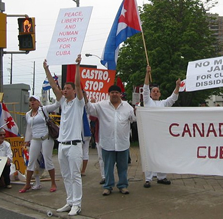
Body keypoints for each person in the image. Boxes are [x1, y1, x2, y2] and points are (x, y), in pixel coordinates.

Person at [44, 55, 85, 216]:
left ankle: (77, 204)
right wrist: (46, 69)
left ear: (73, 91)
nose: (64, 90)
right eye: (64, 88)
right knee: (66, 176)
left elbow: (78, 85)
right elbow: (54, 87)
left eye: (68, 88)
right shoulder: (63, 103)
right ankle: (69, 202)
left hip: (75, 145)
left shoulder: (78, 103)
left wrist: (77, 66)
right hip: (62, 145)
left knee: (75, 175)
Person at [85, 85, 136, 196]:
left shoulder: (127, 106)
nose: (114, 94)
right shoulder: (102, 105)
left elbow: (134, 119)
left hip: (122, 143)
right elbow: (89, 109)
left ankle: (123, 186)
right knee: (108, 167)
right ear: (109, 94)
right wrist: (84, 97)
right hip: (107, 143)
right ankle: (108, 186)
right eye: (112, 92)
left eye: (116, 92)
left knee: (123, 167)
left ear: (120, 94)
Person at [143, 65, 181, 188]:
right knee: (148, 155)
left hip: (161, 134)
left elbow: (173, 98)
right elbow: (145, 89)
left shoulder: (163, 103)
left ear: (160, 94)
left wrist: (177, 86)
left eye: (157, 91)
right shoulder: (147, 102)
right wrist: (147, 74)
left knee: (162, 155)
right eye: (153, 91)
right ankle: (148, 179)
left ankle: (161, 176)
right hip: (149, 134)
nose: (155, 92)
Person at [19, 95, 60, 193]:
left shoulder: (44, 109)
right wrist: (27, 140)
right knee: (31, 161)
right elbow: (29, 128)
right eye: (31, 101)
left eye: (35, 100)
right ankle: (27, 184)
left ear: (39, 102)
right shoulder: (28, 114)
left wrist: (58, 93)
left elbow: (56, 105)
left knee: (47, 159)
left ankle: (53, 183)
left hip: (46, 138)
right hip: (35, 139)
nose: (32, 102)